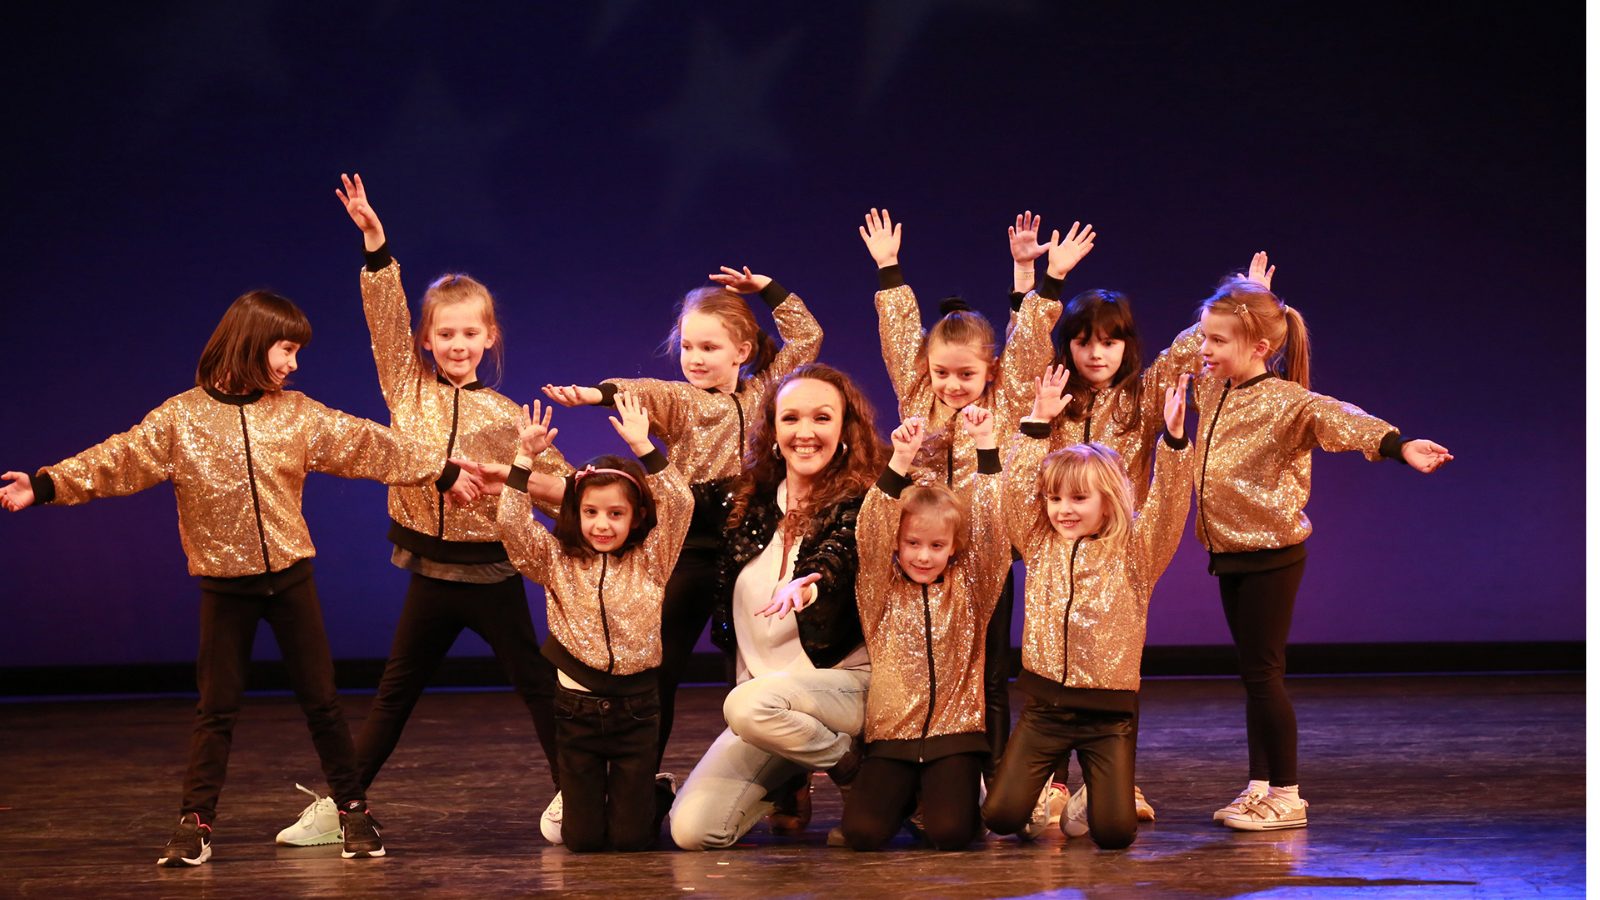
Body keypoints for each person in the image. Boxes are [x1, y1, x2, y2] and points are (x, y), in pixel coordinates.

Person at [0, 290, 472, 866]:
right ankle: (195, 824)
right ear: (252, 342)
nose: (293, 364)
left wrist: (442, 470)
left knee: (322, 701)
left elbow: (368, 443)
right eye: (286, 349)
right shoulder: (182, 418)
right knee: (216, 707)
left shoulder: (295, 415)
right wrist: (44, 486)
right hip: (226, 585)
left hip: (290, 579)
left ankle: (353, 812)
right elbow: (117, 459)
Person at [274, 174, 564, 848]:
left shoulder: (505, 415)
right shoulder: (408, 388)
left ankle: (576, 792)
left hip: (491, 575)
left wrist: (534, 462)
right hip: (431, 574)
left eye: (471, 333)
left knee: (539, 688)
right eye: (446, 333)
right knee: (393, 696)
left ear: (490, 337)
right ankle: (345, 805)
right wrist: (376, 245)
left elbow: (559, 485)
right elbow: (383, 317)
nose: (459, 344)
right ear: (427, 341)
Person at [540, 262, 821, 839]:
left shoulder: (769, 389)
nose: (694, 357)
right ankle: (639, 783)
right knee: (658, 666)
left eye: (709, 347)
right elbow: (641, 390)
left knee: (756, 670)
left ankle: (787, 785)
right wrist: (595, 395)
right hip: (690, 545)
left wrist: (765, 289)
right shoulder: (683, 400)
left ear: (742, 349)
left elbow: (808, 336)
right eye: (688, 345)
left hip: (753, 540)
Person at [1190, 259, 1452, 831]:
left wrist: (1396, 444)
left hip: (1270, 554)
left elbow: (1342, 419)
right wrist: (1249, 295)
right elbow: (1206, 341)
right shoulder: (1213, 388)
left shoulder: (1288, 402)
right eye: (1203, 336)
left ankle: (1286, 793)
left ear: (1258, 346)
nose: (1202, 348)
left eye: (1214, 340)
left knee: (1264, 674)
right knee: (1253, 674)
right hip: (1229, 553)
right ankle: (1259, 784)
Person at [859, 207, 1085, 787]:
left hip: (987, 551)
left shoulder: (1008, 397)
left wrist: (1046, 280)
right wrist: (889, 269)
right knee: (919, 658)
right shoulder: (918, 394)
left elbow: (1031, 339)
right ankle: (919, 765)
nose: (953, 386)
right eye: (942, 375)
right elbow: (899, 336)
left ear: (991, 370)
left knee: (988, 670)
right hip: (923, 550)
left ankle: (995, 775)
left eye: (966, 375)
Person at [669, 363, 886, 850]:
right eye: (790, 419)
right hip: (771, 711)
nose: (804, 432)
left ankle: (860, 771)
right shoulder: (745, 500)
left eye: (821, 418)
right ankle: (819, 768)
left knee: (746, 704)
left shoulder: (865, 503)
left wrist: (809, 586)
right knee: (693, 831)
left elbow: (839, 555)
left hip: (849, 690)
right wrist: (529, 481)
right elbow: (654, 502)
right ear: (772, 429)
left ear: (845, 428)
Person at [982, 365, 1193, 850]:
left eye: (1078, 498)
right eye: (1055, 498)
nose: (1063, 509)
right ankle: (1041, 796)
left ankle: (1089, 799)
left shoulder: (1136, 552)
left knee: (1116, 834)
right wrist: (1036, 420)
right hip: (1045, 710)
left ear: (1108, 500)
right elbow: (1015, 494)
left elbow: (1168, 505)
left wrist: (1175, 442)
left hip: (1108, 716)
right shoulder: (1039, 542)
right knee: (1000, 816)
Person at [494, 393, 693, 851]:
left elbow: (679, 504)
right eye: (591, 512)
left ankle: (653, 791)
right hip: (577, 712)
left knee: (630, 840)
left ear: (636, 515)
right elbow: (512, 524)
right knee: (581, 840)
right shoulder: (556, 559)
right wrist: (524, 457)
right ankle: (596, 803)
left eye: (615, 513)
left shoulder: (652, 559)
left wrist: (645, 448)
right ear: (575, 512)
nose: (602, 524)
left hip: (637, 708)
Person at [840, 407, 1008, 851]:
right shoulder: (879, 589)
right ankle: (909, 797)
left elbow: (993, 533)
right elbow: (871, 529)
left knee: (952, 835)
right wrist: (899, 462)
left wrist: (987, 448)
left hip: (955, 735)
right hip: (892, 735)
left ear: (954, 548)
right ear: (897, 543)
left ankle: (950, 796)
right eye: (913, 543)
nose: (923, 556)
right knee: (862, 835)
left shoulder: (972, 588)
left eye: (936, 545)